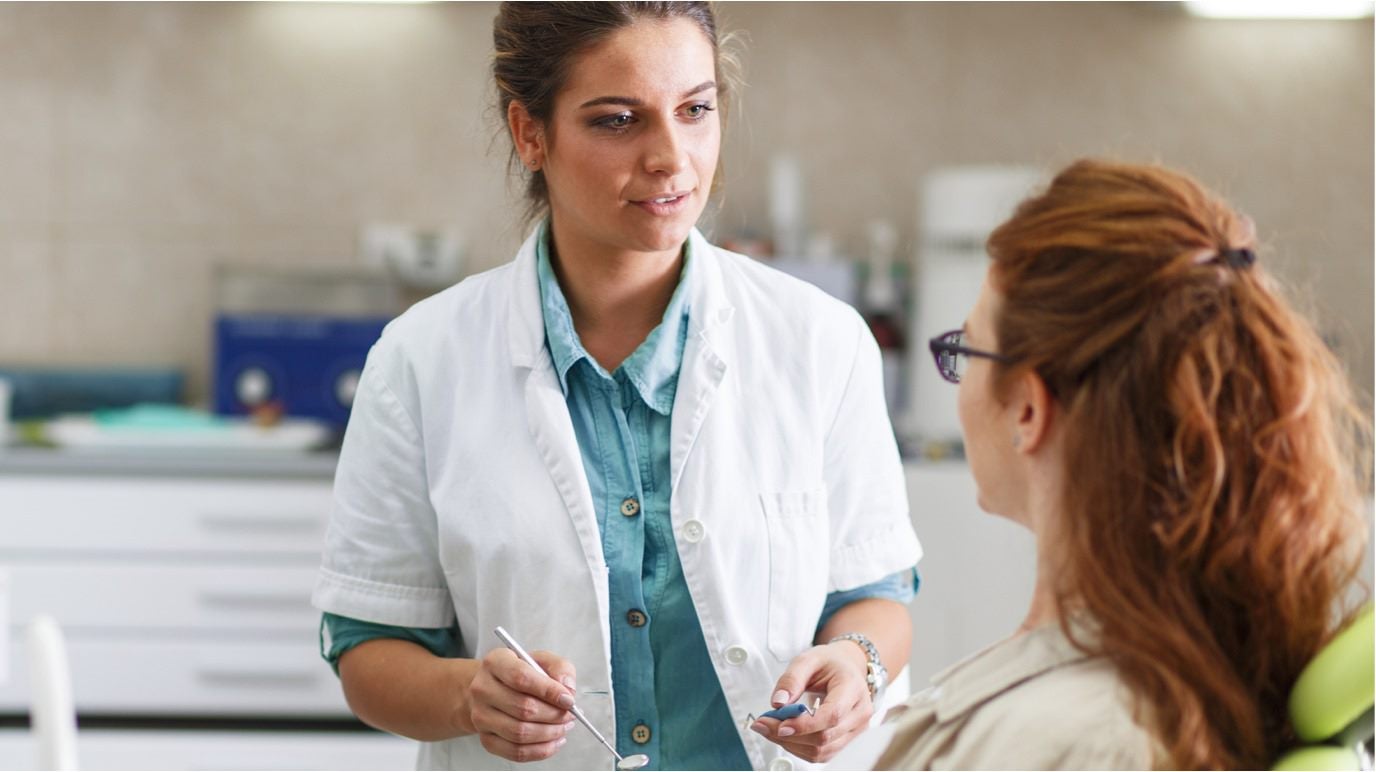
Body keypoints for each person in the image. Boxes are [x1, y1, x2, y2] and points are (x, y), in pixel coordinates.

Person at [310, 3, 922, 770]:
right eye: (618, 120)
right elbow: (370, 648)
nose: (673, 156)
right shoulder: (421, 359)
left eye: (696, 110)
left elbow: (878, 593)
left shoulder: (820, 341)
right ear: (531, 133)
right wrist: (468, 696)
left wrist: (858, 663)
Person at [873, 159, 1371, 770]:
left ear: (1028, 408)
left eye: (966, 349)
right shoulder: (1176, 666)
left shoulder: (1071, 742)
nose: (959, 384)